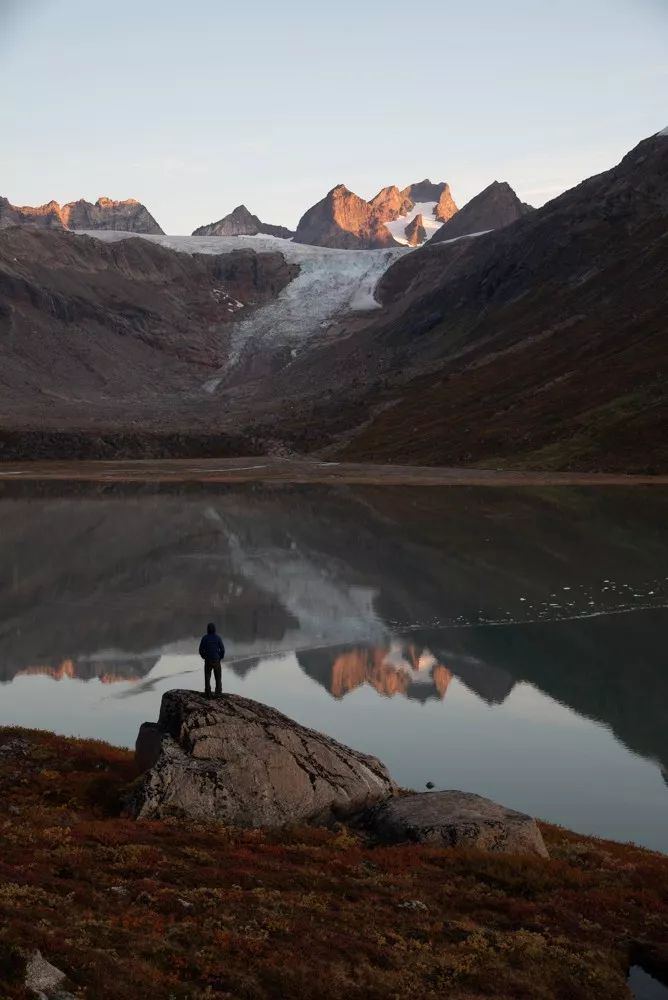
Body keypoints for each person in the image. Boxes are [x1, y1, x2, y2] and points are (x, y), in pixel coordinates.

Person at [198, 622, 225, 698]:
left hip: (208, 660)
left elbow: (200, 650)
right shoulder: (218, 638)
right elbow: (222, 650)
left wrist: (204, 656)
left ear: (207, 629)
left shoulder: (204, 638)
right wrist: (220, 657)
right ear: (214, 629)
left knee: (207, 677)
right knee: (218, 677)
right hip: (216, 659)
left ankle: (208, 693)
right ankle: (218, 693)